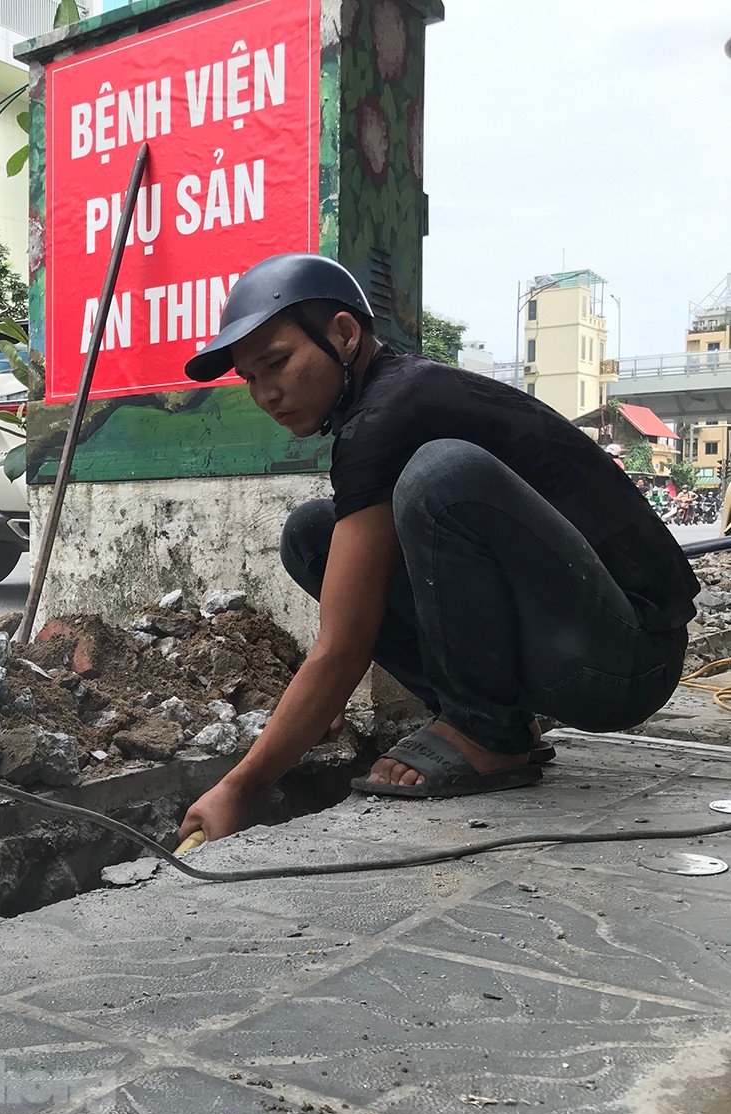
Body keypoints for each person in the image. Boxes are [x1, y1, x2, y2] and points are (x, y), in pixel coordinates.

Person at [177, 253, 699, 842]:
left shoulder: (390, 409)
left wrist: (239, 788)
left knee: (440, 475)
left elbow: (341, 646)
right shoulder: (389, 399)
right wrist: (311, 713)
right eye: (249, 379)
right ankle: (499, 723)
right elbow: (352, 611)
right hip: (581, 648)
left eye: (277, 363)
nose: (266, 393)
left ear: (345, 335)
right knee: (314, 534)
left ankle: (485, 733)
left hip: (625, 664)